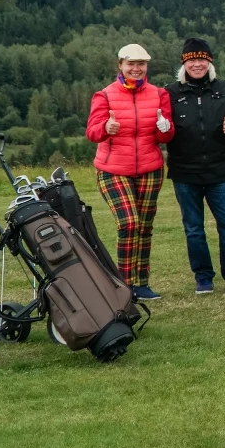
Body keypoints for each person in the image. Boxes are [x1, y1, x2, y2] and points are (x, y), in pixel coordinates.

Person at [84, 43, 175, 300]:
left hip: (150, 168)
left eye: (141, 64)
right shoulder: (105, 95)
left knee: (144, 227)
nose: (136, 69)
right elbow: (92, 132)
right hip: (113, 169)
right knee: (129, 223)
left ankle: (141, 282)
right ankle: (124, 285)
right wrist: (106, 128)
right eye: (130, 64)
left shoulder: (159, 95)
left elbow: (166, 136)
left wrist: (164, 127)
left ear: (147, 67)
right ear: (120, 66)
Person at [164, 38, 225, 295]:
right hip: (184, 172)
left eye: (202, 59)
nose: (197, 64)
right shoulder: (170, 93)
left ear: (210, 62)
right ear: (184, 64)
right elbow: (162, 127)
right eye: (191, 60)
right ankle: (203, 277)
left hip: (221, 171)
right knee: (193, 229)